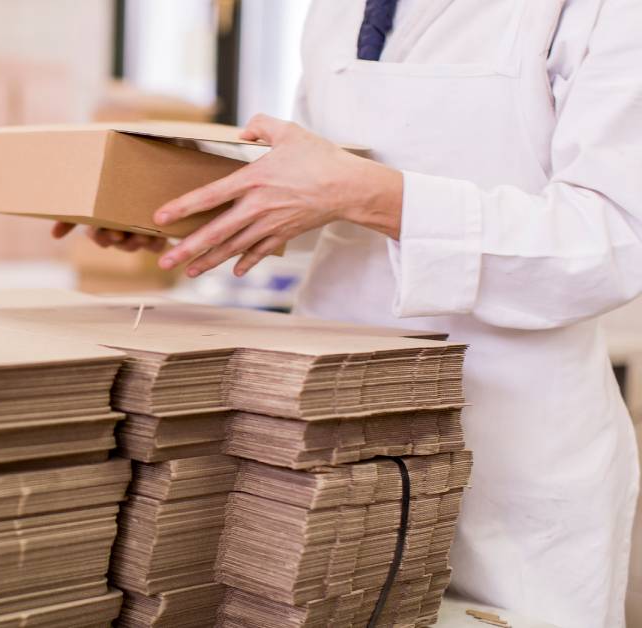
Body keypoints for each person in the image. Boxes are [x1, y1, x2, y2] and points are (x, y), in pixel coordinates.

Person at [54, 0, 642, 625]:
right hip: (327, 414)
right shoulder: (334, 10)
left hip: (512, 442)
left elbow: (612, 240)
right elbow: (320, 200)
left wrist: (370, 192)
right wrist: (190, 217)